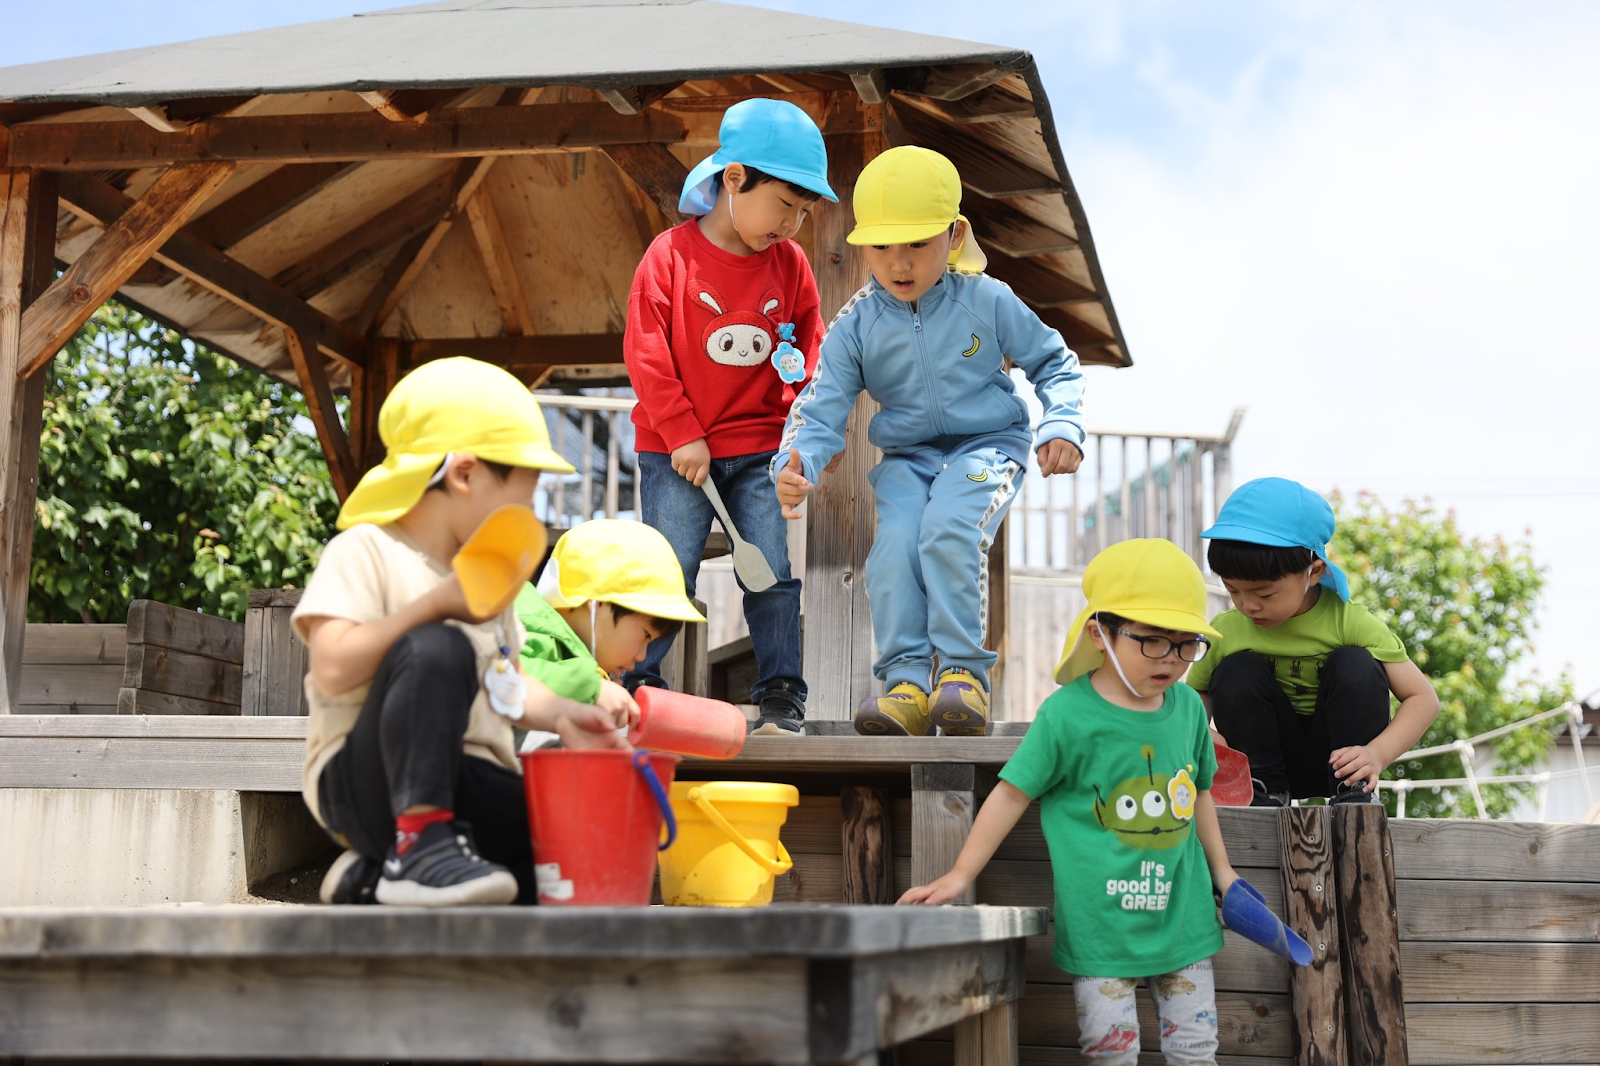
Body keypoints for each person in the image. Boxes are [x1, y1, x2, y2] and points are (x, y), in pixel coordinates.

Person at [774, 145, 1085, 738]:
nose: (899, 262)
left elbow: (1056, 362)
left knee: (947, 529)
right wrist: (798, 460)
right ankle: (908, 686)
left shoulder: (986, 300)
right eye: (882, 245)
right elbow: (821, 406)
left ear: (955, 234)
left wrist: (1062, 424)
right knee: (892, 549)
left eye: (917, 243)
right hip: (909, 458)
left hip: (988, 444)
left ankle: (963, 677)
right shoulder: (857, 324)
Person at [297, 357, 631, 908]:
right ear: (465, 473)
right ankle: (412, 845)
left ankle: (378, 875)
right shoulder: (367, 550)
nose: (531, 509)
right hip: (368, 781)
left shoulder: (483, 578)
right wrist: (435, 607)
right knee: (438, 645)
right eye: (526, 492)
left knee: (556, 855)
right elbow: (332, 666)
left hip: (466, 782)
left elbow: (511, 683)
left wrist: (568, 715)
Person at [901, 539, 1238, 1065]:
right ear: (1099, 632)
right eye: (1152, 641)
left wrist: (1226, 875)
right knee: (1110, 1055)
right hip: (1100, 923)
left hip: (1184, 918)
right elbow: (1011, 794)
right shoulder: (1065, 716)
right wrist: (960, 874)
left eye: (1186, 644)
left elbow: (1198, 794)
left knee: (1196, 1052)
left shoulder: (1191, 709)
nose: (1171, 659)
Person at [622, 97, 836, 735]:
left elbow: (813, 346)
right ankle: (637, 685)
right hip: (676, 453)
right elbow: (646, 352)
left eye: (802, 212)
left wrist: (801, 436)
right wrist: (683, 433)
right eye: (784, 205)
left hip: (762, 451)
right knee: (668, 569)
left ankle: (780, 694)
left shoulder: (790, 265)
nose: (792, 224)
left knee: (769, 572)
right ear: (734, 178)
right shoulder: (669, 256)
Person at [1185, 477, 1440, 806]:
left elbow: (1424, 699)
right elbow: (1191, 702)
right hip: (1260, 765)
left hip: (1340, 761)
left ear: (1314, 571)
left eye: (1264, 593)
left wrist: (1377, 754)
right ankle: (1265, 792)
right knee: (1235, 670)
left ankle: (1352, 790)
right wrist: (1204, 735)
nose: (1247, 605)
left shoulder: (1348, 621)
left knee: (1355, 663)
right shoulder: (1228, 630)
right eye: (1233, 590)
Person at [513, 519, 705, 745]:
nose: (642, 656)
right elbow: (504, 675)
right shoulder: (526, 620)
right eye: (645, 635)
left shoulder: (563, 647)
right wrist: (592, 688)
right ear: (599, 604)